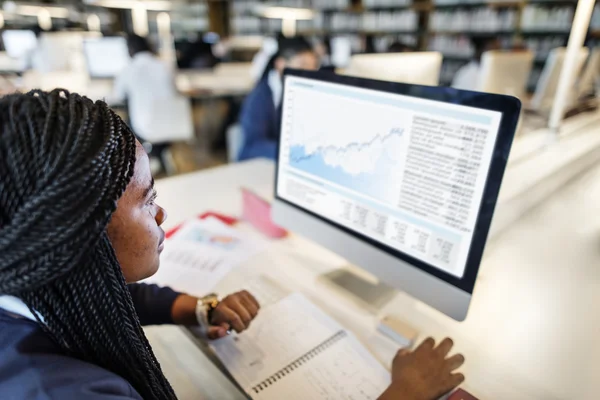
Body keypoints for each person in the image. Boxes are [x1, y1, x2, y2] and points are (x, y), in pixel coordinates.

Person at [0, 90, 465, 399]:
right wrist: (401, 394)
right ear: (72, 237)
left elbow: (104, 294)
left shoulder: (30, 282)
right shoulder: (71, 393)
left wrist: (193, 309)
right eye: (148, 201)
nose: (162, 214)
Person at [238, 37, 319, 161]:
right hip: (259, 163)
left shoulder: (305, 92)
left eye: (313, 67)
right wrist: (295, 153)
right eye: (303, 65)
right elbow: (254, 144)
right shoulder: (260, 95)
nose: (310, 73)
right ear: (280, 64)